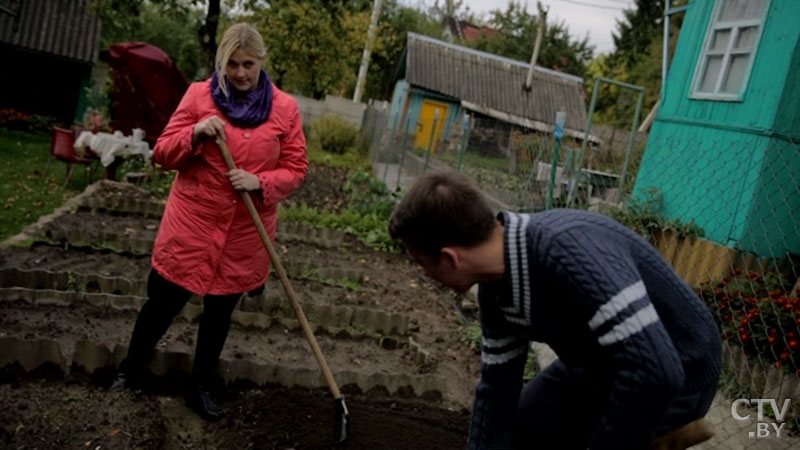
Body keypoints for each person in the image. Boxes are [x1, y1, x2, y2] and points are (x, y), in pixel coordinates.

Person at [388, 170, 721, 450]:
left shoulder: (567, 251)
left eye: (421, 264)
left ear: (450, 258)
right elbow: (496, 391)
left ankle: (668, 435)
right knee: (523, 429)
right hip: (599, 364)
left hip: (679, 367)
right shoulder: (497, 292)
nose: (423, 274)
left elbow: (658, 372)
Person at [110, 23, 308, 422]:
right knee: (162, 304)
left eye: (248, 64)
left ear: (262, 62)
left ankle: (199, 387)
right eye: (231, 64)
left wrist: (261, 182)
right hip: (192, 228)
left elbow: (297, 167)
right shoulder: (200, 96)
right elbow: (163, 152)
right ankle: (130, 370)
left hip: (243, 234)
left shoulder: (285, 109)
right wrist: (196, 134)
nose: (239, 73)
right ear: (221, 61)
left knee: (219, 315)